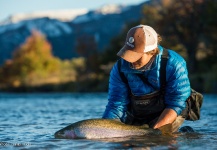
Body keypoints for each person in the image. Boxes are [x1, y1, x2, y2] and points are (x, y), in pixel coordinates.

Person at [102, 25, 191, 132]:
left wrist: (153, 133)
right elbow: (116, 104)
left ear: (152, 51)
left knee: (160, 139)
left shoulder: (174, 64)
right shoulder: (119, 68)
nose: (130, 60)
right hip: (136, 114)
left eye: (136, 55)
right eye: (129, 53)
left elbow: (176, 103)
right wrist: (106, 130)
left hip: (168, 111)